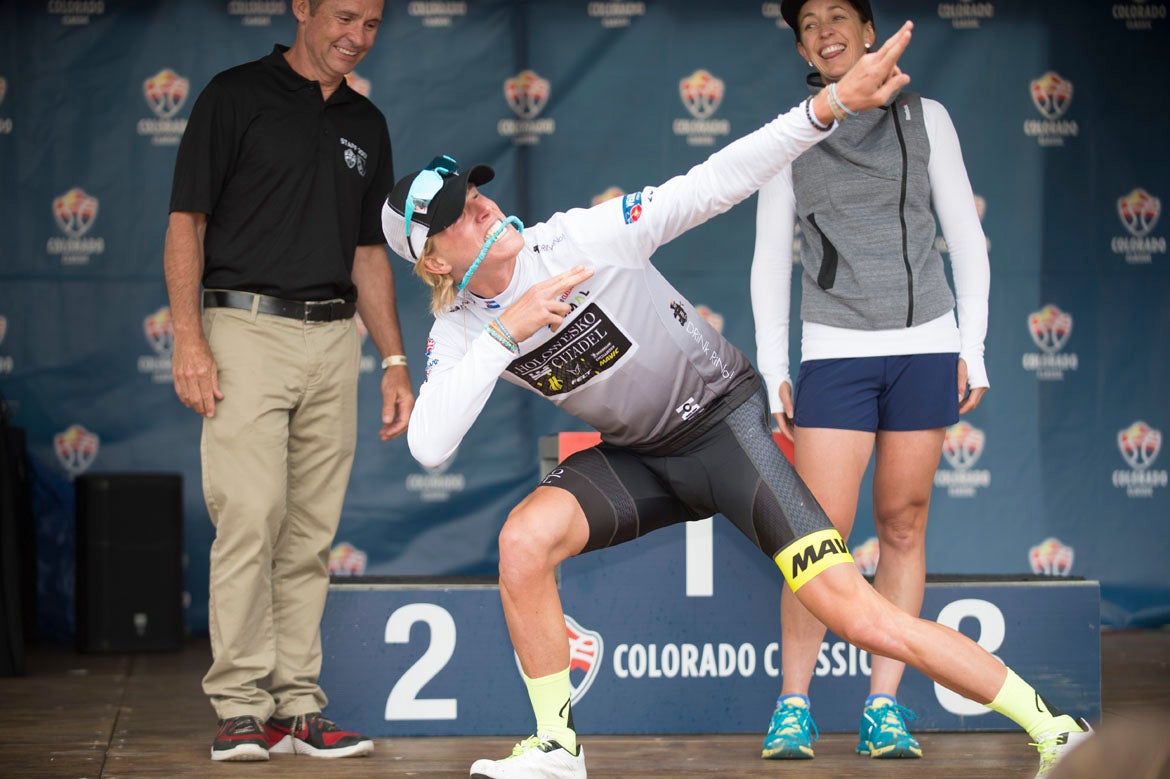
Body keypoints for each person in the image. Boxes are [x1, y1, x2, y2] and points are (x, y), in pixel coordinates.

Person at [384, 22, 1087, 779]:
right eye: (458, 210)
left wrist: (825, 111)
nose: (481, 205)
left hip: (726, 426)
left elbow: (715, 180)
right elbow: (428, 444)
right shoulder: (457, 332)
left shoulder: (581, 238)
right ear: (431, 256)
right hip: (644, 459)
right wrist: (504, 338)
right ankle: (557, 748)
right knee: (523, 542)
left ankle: (1055, 726)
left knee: (858, 614)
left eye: (476, 190)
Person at [164, 0, 413, 762]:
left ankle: (295, 703)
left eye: (371, 24)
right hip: (244, 329)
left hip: (336, 341)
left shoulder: (367, 125)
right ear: (301, 8)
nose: (356, 37)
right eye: (343, 17)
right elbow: (187, 224)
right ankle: (240, 703)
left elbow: (370, 252)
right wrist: (189, 340)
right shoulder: (233, 95)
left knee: (308, 533)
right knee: (250, 514)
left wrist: (396, 360)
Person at [750, 0, 990, 762]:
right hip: (836, 347)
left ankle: (883, 705)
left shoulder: (930, 118)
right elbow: (767, 260)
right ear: (802, 47)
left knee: (904, 524)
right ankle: (794, 704)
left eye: (838, 13)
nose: (824, 28)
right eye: (809, 21)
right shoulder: (791, 132)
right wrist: (773, 365)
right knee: (818, 537)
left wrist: (974, 347)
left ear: (866, 31)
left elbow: (966, 237)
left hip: (927, 343)